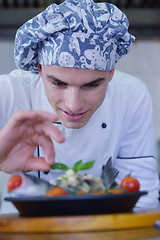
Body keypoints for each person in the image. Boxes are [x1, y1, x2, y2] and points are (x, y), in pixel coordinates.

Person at [0, 0, 159, 213]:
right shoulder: (9, 92)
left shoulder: (130, 94)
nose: (73, 105)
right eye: (58, 83)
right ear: (39, 68)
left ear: (110, 73)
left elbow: (143, 200)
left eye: (92, 85)